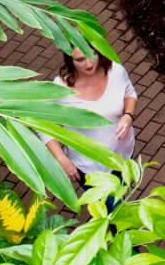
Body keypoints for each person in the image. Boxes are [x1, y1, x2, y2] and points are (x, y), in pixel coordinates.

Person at [45, 49, 139, 190]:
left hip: (123, 156)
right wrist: (61, 158)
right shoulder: (60, 89)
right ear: (70, 60)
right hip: (89, 167)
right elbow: (45, 127)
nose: (88, 64)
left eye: (91, 55)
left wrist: (128, 116)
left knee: (124, 193)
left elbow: (130, 94)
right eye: (80, 60)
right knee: (111, 209)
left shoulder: (116, 72)